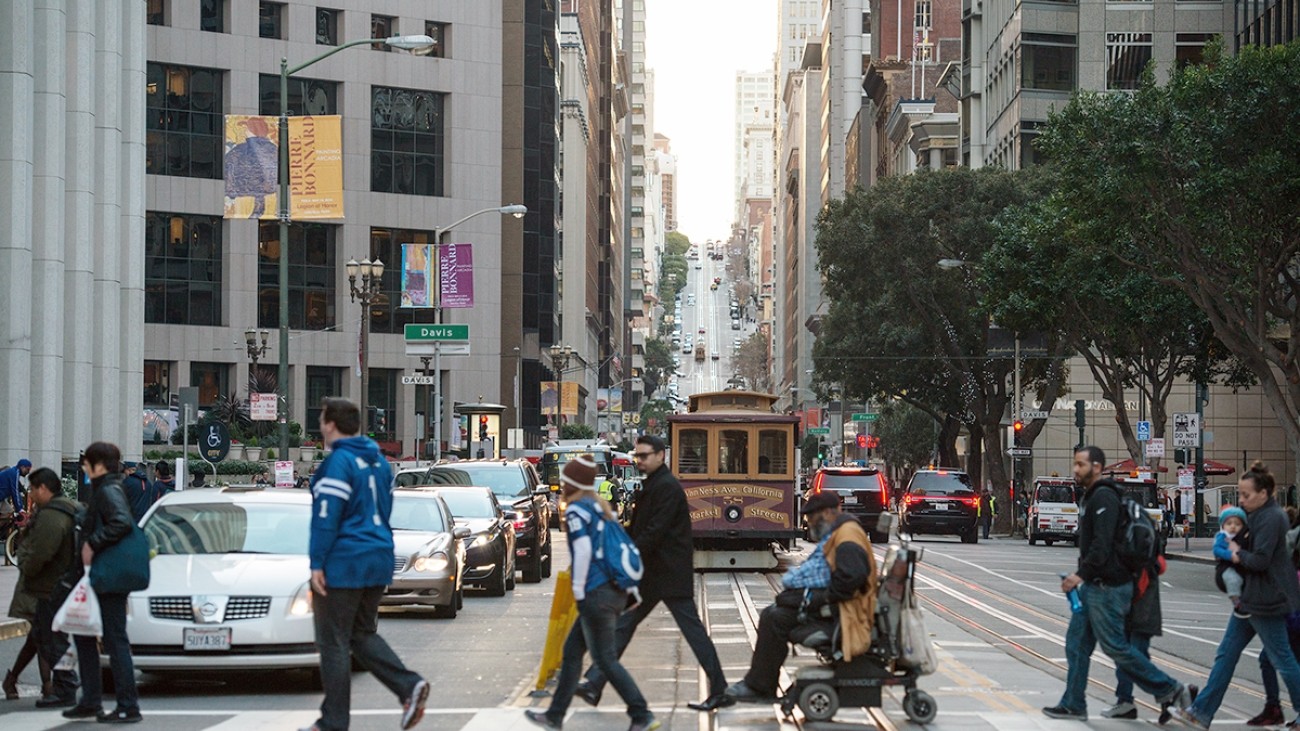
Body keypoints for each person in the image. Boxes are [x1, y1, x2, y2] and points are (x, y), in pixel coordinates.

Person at [573, 435, 732, 712]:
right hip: (653, 575)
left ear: (661, 455)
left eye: (644, 456)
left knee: (692, 632)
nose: (640, 461)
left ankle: (720, 690)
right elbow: (640, 528)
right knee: (623, 626)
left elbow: (653, 532)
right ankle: (594, 683)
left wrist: (625, 557)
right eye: (638, 456)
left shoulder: (667, 487)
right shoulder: (654, 485)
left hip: (668, 576)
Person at [303, 398, 428, 731]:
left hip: (345, 560)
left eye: (321, 419)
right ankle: (408, 685)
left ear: (330, 424)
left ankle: (333, 722)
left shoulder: (338, 463)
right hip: (378, 555)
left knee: (332, 642)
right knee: (360, 633)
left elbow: (327, 516)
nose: (320, 425)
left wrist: (317, 562)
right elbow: (385, 509)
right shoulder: (378, 462)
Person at [1044, 446, 1192, 721]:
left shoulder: (1103, 497)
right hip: (1095, 586)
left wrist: (1081, 575)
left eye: (1081, 465)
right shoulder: (1094, 496)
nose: (1076, 469)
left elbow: (1101, 545)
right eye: (1075, 464)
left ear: (1097, 467)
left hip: (1108, 587)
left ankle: (1171, 689)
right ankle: (1073, 703)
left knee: (1115, 647)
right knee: (1076, 644)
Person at [525, 456, 659, 731]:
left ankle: (641, 714)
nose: (561, 483)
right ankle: (555, 715)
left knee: (604, 659)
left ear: (571, 483)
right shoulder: (599, 509)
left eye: (565, 479)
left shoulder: (575, 511)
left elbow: (584, 550)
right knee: (573, 653)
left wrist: (578, 590)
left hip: (596, 593)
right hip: (613, 591)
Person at [1170, 462, 1300, 730]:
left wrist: (1233, 553)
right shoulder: (1259, 516)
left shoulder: (1271, 518)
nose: (1241, 500)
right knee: (1226, 655)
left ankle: (1202, 711)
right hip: (1251, 599)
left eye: (1245, 494)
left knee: (1282, 659)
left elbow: (1260, 560)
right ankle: (1201, 712)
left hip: (1266, 600)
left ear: (1263, 493)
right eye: (1240, 494)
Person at [726, 491, 877, 703]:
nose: (809, 523)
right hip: (841, 608)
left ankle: (760, 686)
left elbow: (849, 581)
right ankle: (759, 684)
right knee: (774, 612)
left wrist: (812, 600)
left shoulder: (847, 536)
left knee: (775, 618)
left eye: (811, 517)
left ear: (826, 513)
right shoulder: (841, 532)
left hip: (846, 615)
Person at [65, 441, 142, 723]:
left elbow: (121, 522)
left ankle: (127, 705)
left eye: (87, 462)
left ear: (98, 465)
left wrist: (92, 544)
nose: (84, 467)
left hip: (107, 576)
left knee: (114, 639)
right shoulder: (108, 487)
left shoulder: (109, 489)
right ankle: (91, 701)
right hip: (101, 575)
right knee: (85, 635)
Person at [12, 467, 80, 708]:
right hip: (62, 584)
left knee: (53, 640)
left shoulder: (52, 515)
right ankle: (62, 685)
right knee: (46, 637)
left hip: (51, 586)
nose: (30, 494)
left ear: (43, 488)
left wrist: (26, 566)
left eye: (32, 489)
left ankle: (65, 686)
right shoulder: (71, 507)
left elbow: (41, 553)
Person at [1103, 543, 1177, 720]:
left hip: (1139, 610)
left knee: (1133, 656)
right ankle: (1127, 699)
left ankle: (1168, 690)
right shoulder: (1139, 530)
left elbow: (1142, 577)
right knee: (1130, 655)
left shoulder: (1135, 534)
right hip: (1138, 609)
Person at [1212, 507, 1249, 616]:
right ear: (1223, 526)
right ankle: (1236, 600)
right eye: (1229, 524)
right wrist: (1230, 555)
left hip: (1241, 566)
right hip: (1228, 565)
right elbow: (1217, 549)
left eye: (1237, 524)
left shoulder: (1244, 537)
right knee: (1232, 579)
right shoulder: (1223, 537)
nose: (1233, 527)